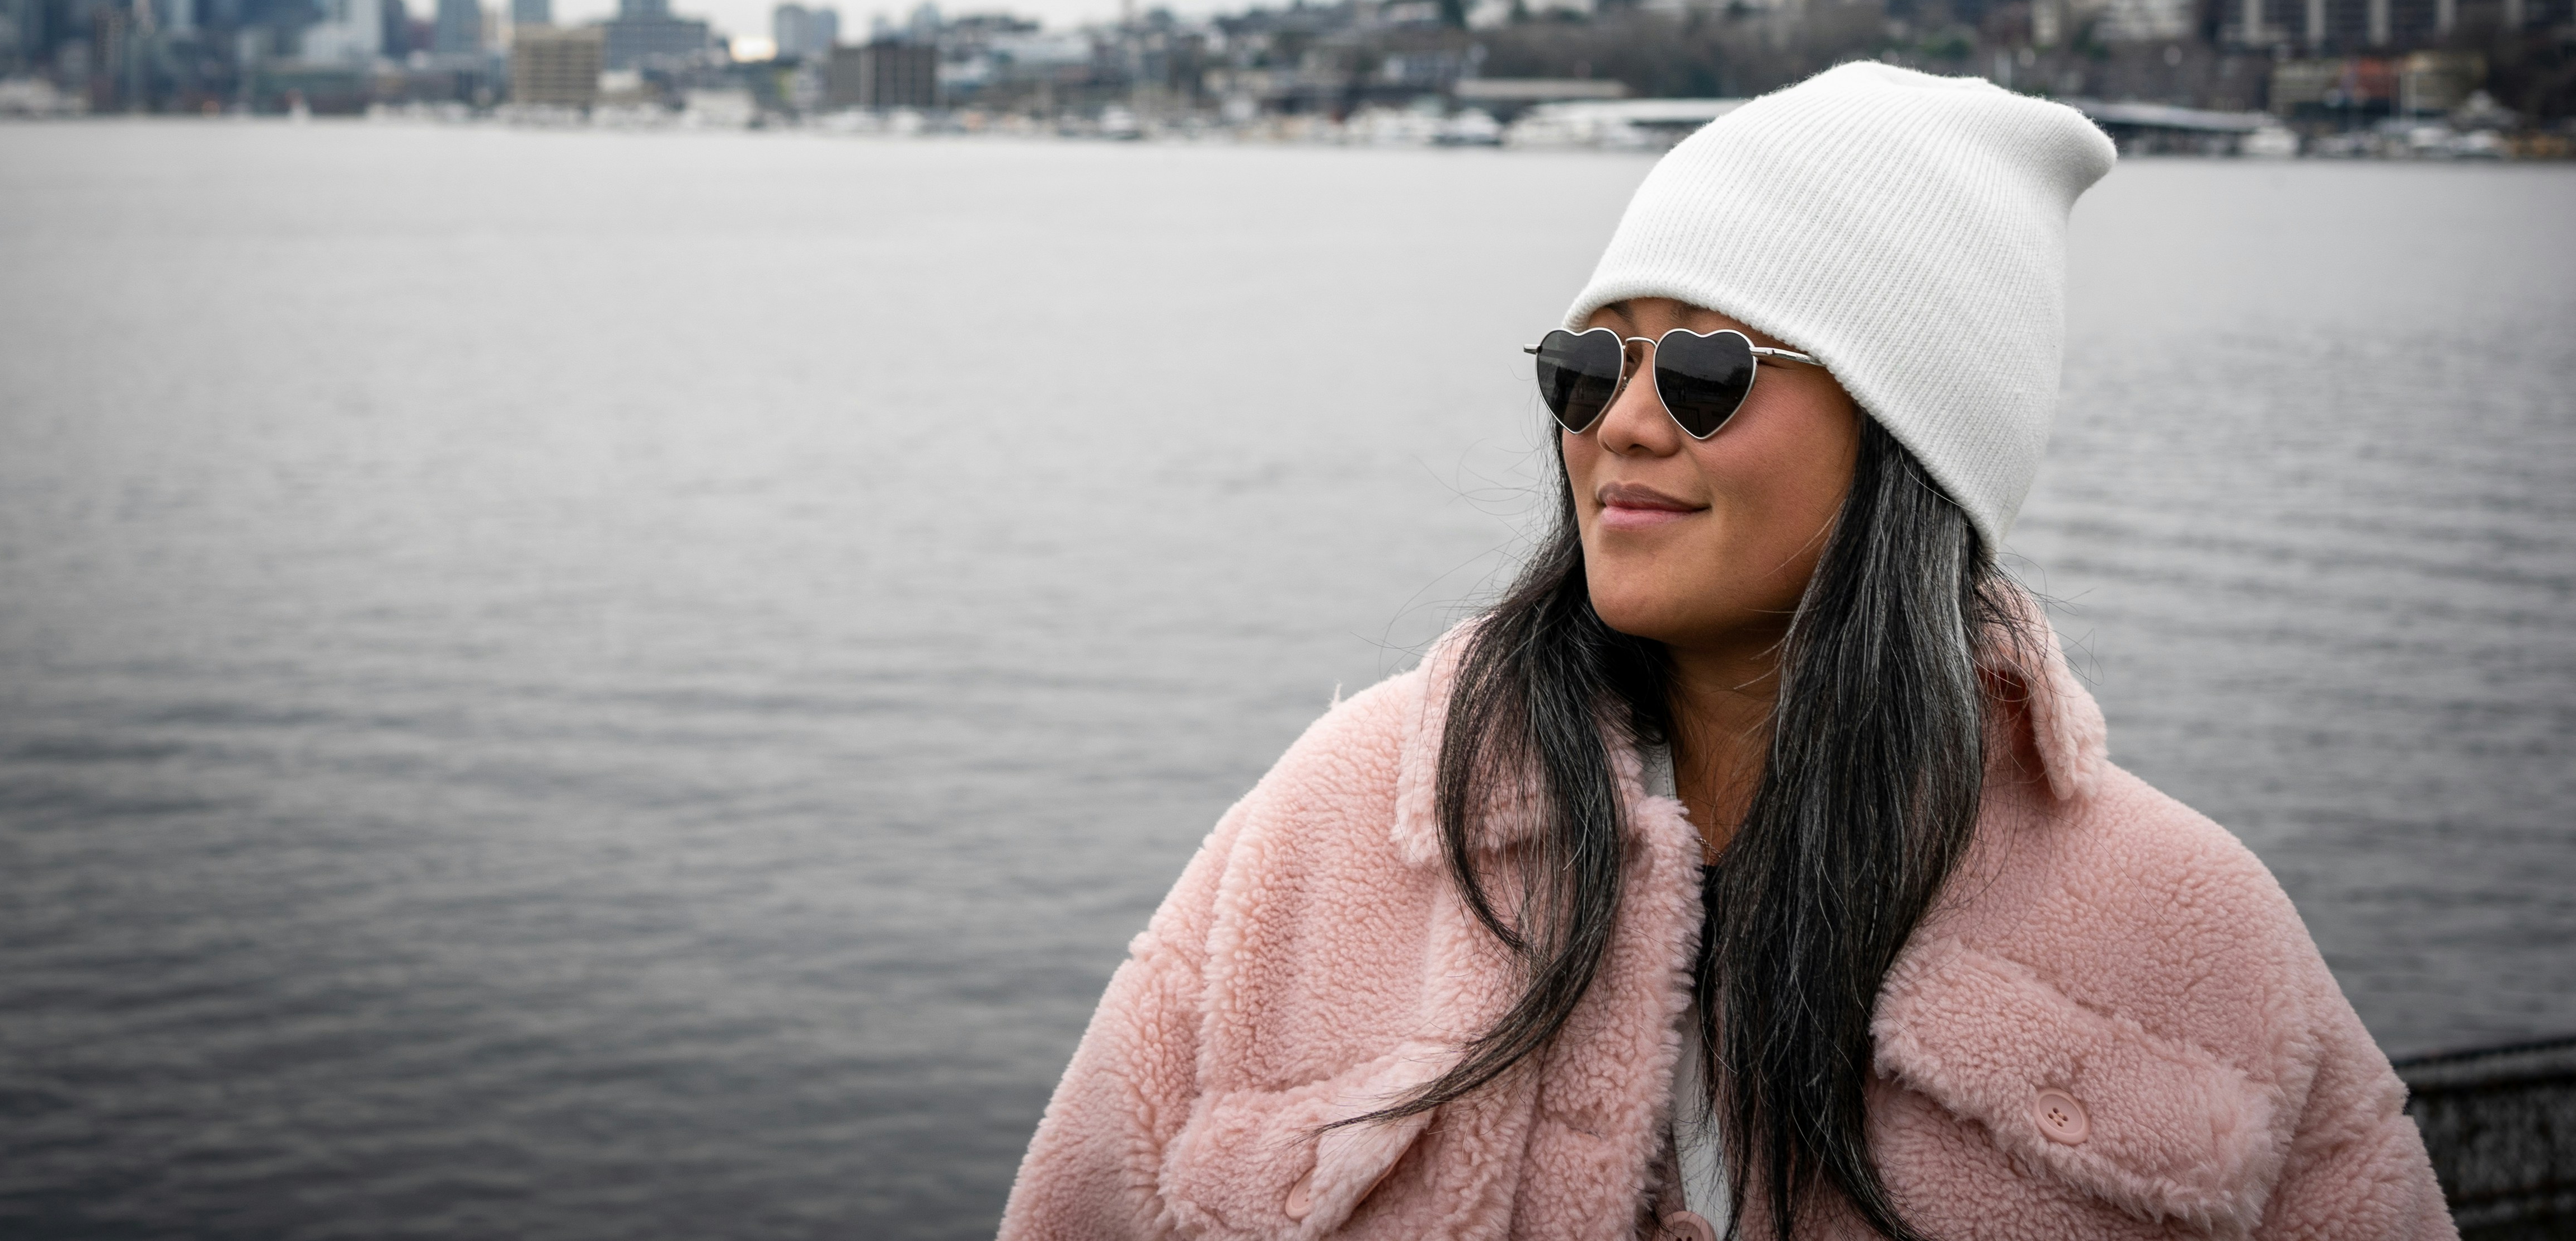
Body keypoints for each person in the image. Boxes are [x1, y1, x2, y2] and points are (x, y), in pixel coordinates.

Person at [999, 63, 2453, 1241]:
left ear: (1909, 442)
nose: (1621, 422)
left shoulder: (2186, 929)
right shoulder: (1337, 826)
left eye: (1708, 368)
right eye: (1588, 363)